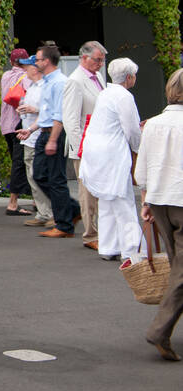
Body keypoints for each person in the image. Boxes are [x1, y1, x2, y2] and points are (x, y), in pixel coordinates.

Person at [135, 68, 183, 361]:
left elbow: (142, 169)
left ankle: (162, 329)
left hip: (160, 201)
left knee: (178, 264)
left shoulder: (153, 124)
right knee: (181, 270)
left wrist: (146, 200)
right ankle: (160, 329)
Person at [79, 58, 144, 263]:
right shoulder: (124, 96)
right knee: (123, 199)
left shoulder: (105, 93)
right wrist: (139, 148)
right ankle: (132, 249)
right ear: (129, 77)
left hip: (95, 150)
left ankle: (108, 246)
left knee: (107, 199)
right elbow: (132, 129)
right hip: (112, 153)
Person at [17, 44, 77, 238]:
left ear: (47, 61)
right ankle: (72, 210)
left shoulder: (59, 82)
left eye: (39, 59)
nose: (36, 63)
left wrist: (52, 139)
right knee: (40, 175)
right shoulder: (48, 82)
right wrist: (30, 129)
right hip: (44, 131)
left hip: (53, 133)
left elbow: (59, 114)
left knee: (55, 178)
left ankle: (64, 224)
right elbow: (46, 113)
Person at [63, 40, 107, 250]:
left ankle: (101, 231)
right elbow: (71, 120)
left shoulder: (97, 77)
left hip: (99, 142)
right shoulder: (75, 81)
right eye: (97, 60)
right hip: (85, 146)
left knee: (98, 191)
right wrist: (81, 149)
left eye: (102, 60)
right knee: (87, 192)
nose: (100, 64)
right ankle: (91, 235)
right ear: (84, 58)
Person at [15, 57, 54, 227]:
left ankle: (51, 213)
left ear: (34, 68)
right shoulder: (31, 86)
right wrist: (23, 110)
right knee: (33, 176)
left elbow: (51, 111)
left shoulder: (44, 86)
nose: (24, 69)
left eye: (26, 66)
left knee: (41, 175)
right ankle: (43, 213)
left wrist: (33, 109)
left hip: (39, 137)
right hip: (30, 138)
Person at [0, 48, 33, 216]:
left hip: (6, 125)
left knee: (17, 161)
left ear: (12, 62)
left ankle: (35, 198)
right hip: (20, 124)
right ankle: (13, 203)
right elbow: (27, 99)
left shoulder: (5, 76)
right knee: (21, 163)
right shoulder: (26, 77)